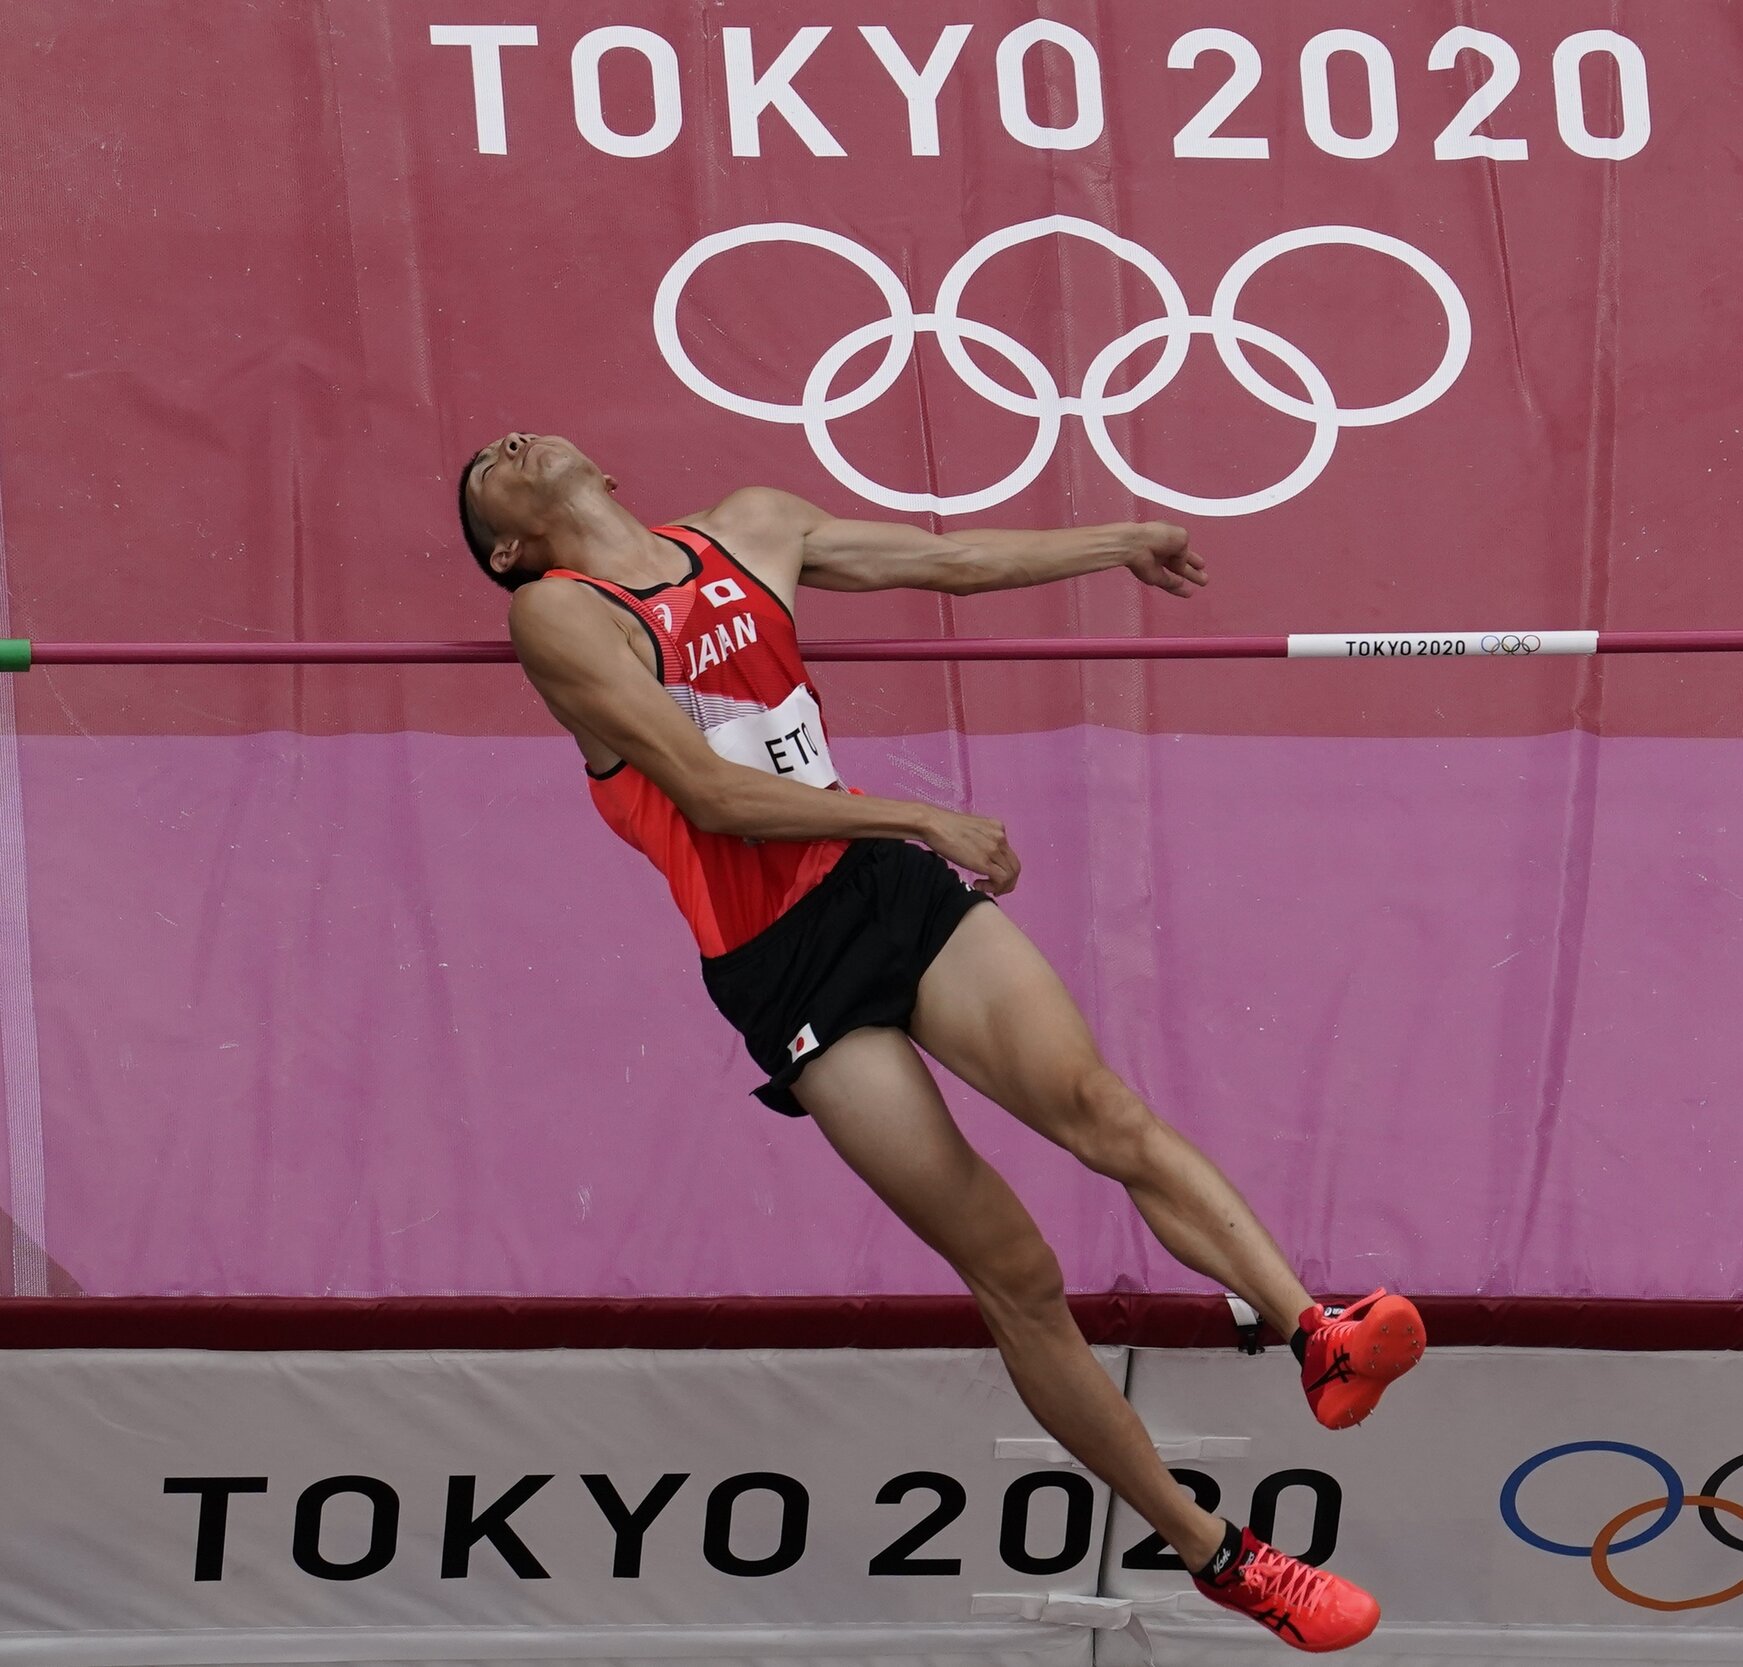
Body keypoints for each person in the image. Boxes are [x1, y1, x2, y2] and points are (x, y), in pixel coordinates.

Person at [458, 431, 1424, 1651]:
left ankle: (1315, 1332)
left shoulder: (751, 523)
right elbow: (707, 796)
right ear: (508, 540)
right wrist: (922, 810)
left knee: (1101, 1110)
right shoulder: (557, 613)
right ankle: (1219, 1554)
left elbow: (950, 558)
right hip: (779, 955)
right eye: (487, 466)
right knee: (1013, 1271)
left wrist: (1119, 541)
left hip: (879, 887)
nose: (510, 440)